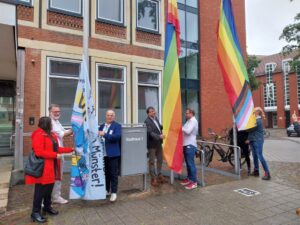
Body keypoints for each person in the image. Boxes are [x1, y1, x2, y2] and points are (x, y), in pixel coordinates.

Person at [25, 117, 74, 223]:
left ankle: (47, 207)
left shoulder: (51, 135)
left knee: (48, 190)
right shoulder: (39, 134)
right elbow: (39, 152)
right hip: (43, 168)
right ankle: (35, 212)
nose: (52, 125)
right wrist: (55, 155)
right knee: (40, 191)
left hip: (51, 167)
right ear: (46, 124)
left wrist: (71, 150)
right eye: (50, 123)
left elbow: (57, 149)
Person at [48, 104, 73, 204]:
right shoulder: (50, 122)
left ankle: (53, 196)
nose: (57, 113)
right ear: (50, 112)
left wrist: (73, 131)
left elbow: (64, 132)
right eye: (55, 112)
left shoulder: (56, 121)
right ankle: (55, 197)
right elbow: (63, 134)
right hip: (54, 153)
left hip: (59, 151)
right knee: (56, 175)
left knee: (57, 175)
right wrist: (75, 128)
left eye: (58, 111)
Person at [98, 110, 121, 202]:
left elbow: (116, 137)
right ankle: (107, 190)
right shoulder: (102, 126)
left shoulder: (117, 126)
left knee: (113, 174)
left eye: (112, 115)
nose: (110, 117)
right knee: (105, 174)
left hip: (113, 154)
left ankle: (114, 192)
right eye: (108, 115)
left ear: (114, 116)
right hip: (103, 155)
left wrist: (105, 134)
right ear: (106, 116)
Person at [144, 107, 167, 187]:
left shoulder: (156, 118)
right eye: (151, 111)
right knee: (152, 162)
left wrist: (161, 126)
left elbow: (158, 128)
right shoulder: (147, 121)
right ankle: (153, 178)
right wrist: (159, 136)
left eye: (154, 110)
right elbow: (150, 133)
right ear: (148, 113)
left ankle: (159, 175)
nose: (154, 112)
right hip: (152, 144)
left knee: (160, 159)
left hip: (158, 143)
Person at [248, 107, 271, 180]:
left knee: (260, 156)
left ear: (257, 112)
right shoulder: (255, 120)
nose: (252, 112)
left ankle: (267, 173)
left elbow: (249, 129)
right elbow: (252, 132)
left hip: (258, 140)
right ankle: (256, 171)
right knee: (254, 156)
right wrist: (249, 139)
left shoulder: (258, 121)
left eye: (254, 111)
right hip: (254, 140)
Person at [180, 108, 198, 190]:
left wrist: (180, 127)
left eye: (187, 113)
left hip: (190, 145)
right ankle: (189, 179)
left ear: (191, 113)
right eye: (185, 113)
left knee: (191, 164)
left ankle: (194, 182)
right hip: (186, 144)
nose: (186, 115)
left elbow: (188, 131)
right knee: (188, 164)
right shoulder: (189, 121)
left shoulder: (193, 121)